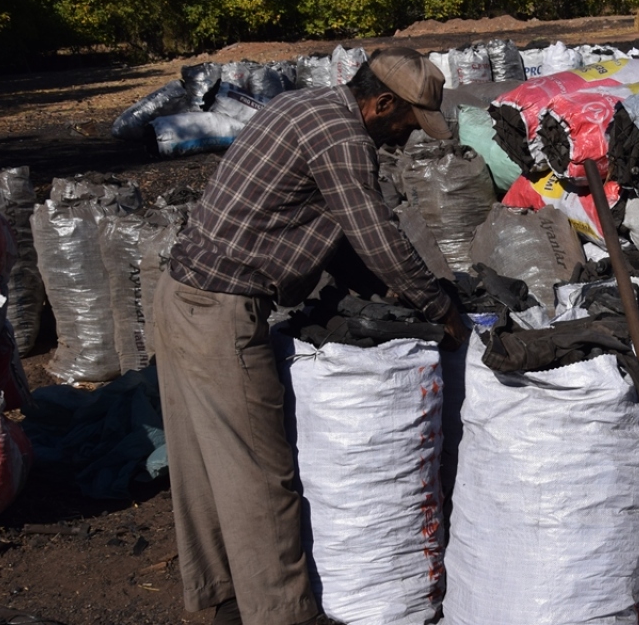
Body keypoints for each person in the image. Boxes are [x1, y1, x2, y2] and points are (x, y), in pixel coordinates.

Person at [152, 47, 466, 625]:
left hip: (180, 297)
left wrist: (386, 291)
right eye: (407, 122)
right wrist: (437, 304)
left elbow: (333, 233)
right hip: (221, 310)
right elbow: (373, 231)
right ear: (382, 104)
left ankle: (227, 598)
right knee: (260, 472)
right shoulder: (344, 138)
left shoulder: (305, 106)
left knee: (208, 463)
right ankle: (283, 614)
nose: (406, 138)